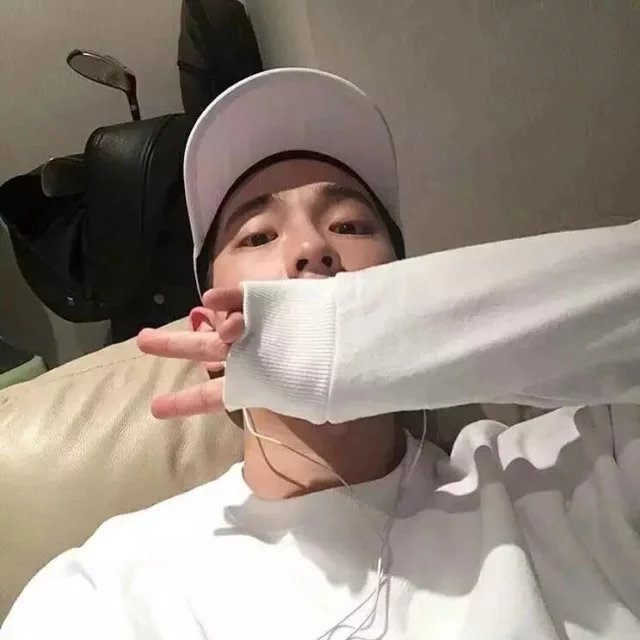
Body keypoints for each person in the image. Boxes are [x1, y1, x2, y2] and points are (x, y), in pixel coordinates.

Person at [2, 68, 639, 640]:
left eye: (350, 226)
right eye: (258, 235)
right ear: (209, 332)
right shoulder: (106, 590)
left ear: (410, 294)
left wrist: (364, 336)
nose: (312, 247)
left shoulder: (566, 479)